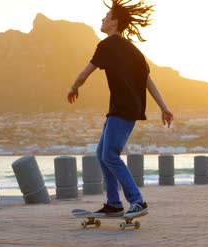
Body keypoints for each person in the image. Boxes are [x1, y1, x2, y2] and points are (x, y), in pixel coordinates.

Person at [67, 0, 173, 217]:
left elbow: (85, 73)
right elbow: (147, 82)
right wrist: (164, 107)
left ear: (114, 22)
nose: (102, 20)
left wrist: (73, 87)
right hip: (124, 109)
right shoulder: (135, 51)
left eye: (106, 17)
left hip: (123, 109)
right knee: (102, 153)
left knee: (110, 155)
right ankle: (114, 204)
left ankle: (137, 201)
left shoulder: (106, 46)